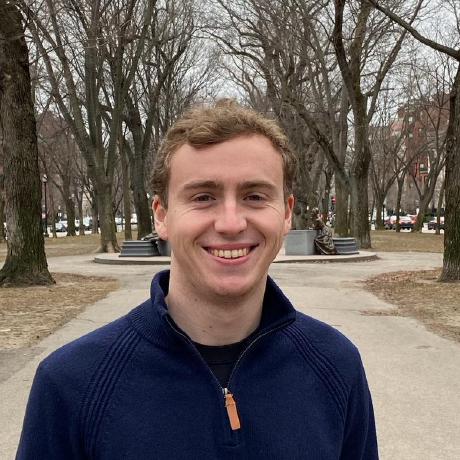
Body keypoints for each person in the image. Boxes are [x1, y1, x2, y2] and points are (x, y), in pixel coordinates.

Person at [17, 100, 378, 459]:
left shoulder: (336, 365)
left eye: (254, 196)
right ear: (162, 216)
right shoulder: (72, 385)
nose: (231, 223)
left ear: (285, 213)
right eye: (203, 197)